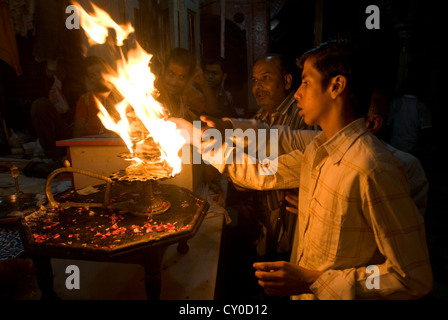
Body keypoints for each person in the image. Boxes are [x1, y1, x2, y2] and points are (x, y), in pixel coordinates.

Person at [173, 39, 433, 300]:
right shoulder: (317, 150)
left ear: (336, 86)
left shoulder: (373, 169)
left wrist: (316, 281)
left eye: (306, 82)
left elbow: (409, 277)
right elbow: (261, 171)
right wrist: (201, 137)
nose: (297, 93)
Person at [228, 53, 317, 260]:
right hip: (268, 222)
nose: (258, 87)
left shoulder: (305, 116)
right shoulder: (258, 118)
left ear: (286, 81)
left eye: (265, 78)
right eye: (255, 80)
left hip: (296, 226)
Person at [31, 55, 119, 160]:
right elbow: (78, 129)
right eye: (92, 75)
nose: (98, 77)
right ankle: (55, 158)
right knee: (40, 105)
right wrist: (76, 154)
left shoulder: (123, 95)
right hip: (89, 144)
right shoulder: (86, 98)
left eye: (100, 71)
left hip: (115, 146)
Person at [154, 48, 219, 122]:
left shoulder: (186, 91)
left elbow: (212, 110)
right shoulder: (152, 88)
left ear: (189, 78)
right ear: (163, 70)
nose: (174, 82)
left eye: (181, 77)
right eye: (171, 73)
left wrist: (203, 84)